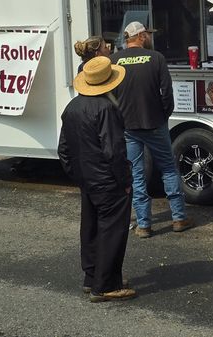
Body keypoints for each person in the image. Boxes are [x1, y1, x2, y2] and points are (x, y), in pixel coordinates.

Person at [57, 56, 137, 303]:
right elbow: (114, 150)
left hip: (87, 178)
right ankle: (105, 285)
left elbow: (64, 149)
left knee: (91, 228)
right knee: (112, 231)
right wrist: (124, 179)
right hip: (107, 180)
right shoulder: (106, 109)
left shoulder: (72, 107)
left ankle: (92, 277)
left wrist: (77, 174)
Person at [111, 21, 193, 237]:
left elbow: (111, 94)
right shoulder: (156, 58)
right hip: (155, 123)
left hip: (128, 126)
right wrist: (163, 115)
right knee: (168, 168)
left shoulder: (114, 61)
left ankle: (144, 224)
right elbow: (167, 92)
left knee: (136, 175)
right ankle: (178, 218)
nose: (149, 36)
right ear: (141, 36)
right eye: (147, 33)